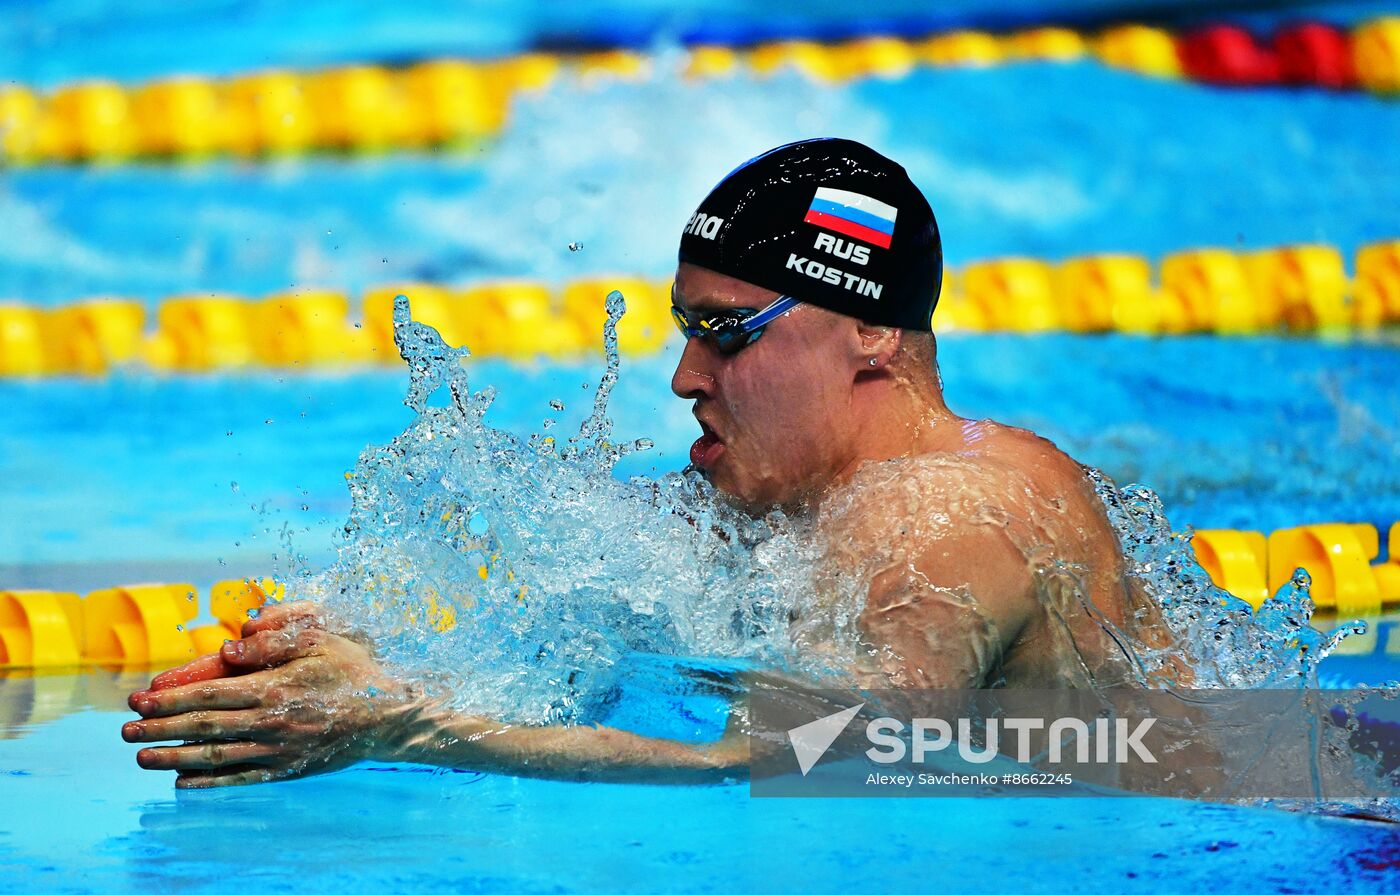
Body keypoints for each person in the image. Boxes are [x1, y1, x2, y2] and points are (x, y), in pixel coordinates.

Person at [122, 138, 1171, 788]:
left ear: (868, 333)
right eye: (682, 328)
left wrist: (414, 723)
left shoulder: (942, 527)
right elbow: (565, 590)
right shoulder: (783, 489)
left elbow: (804, 766)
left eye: (728, 333)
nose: (680, 376)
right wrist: (358, 649)